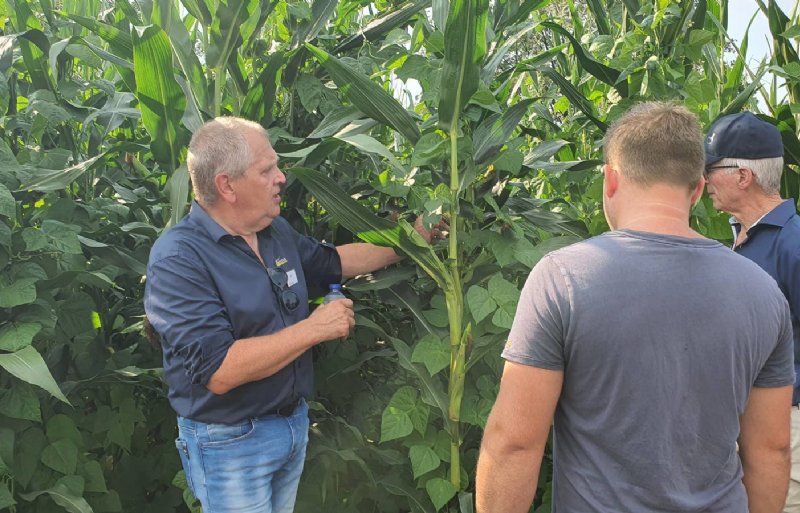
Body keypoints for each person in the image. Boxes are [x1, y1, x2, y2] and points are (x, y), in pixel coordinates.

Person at [476, 102, 795, 513]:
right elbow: (772, 450)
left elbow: (514, 445)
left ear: (610, 179)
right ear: (697, 189)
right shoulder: (763, 292)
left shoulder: (563, 280)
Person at [144, 116, 443, 513]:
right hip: (230, 443)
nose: (281, 177)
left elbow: (334, 262)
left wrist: (413, 239)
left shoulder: (274, 232)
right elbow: (220, 370)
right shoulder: (179, 259)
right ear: (226, 185)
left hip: (290, 427)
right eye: (267, 170)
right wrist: (315, 328)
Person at [704, 111, 800, 512]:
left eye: (711, 169)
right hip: (754, 423)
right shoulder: (741, 238)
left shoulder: (793, 243)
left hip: (788, 425)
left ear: (743, 176)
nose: (703, 180)